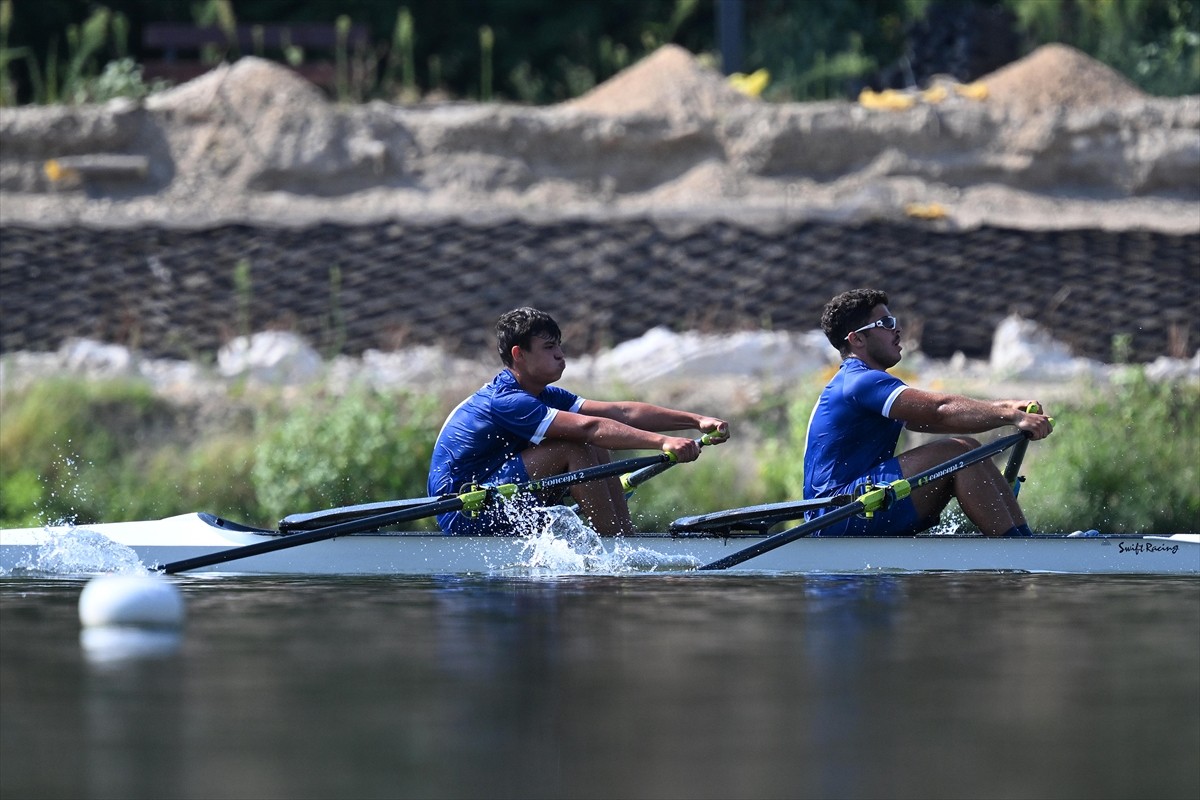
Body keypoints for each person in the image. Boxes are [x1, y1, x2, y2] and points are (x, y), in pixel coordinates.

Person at [428, 307, 730, 535]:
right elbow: (591, 428)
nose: (561, 355)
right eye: (549, 348)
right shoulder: (507, 401)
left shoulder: (545, 395)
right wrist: (663, 442)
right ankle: (618, 545)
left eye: (559, 346)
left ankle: (623, 535)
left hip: (498, 495)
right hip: (466, 512)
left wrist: (695, 419)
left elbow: (618, 413)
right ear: (519, 355)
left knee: (588, 444)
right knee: (576, 446)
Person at [803, 288, 1053, 537]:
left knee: (970, 449)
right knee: (959, 451)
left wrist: (1005, 410)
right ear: (857, 339)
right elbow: (938, 410)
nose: (897, 330)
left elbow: (932, 420)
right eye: (886, 323)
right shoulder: (860, 382)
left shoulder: (863, 382)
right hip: (836, 513)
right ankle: (1018, 548)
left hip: (854, 506)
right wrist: (1011, 415)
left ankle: (1023, 540)